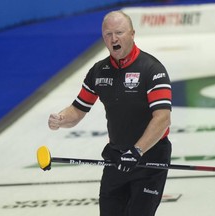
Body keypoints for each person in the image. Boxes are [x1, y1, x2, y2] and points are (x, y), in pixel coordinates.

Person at [48, 10, 172, 216]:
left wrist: (137, 151)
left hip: (150, 156)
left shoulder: (152, 69)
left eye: (119, 32)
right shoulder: (98, 71)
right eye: (108, 34)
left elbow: (163, 118)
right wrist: (61, 119)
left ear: (132, 34)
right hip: (116, 156)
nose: (114, 38)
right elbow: (78, 110)